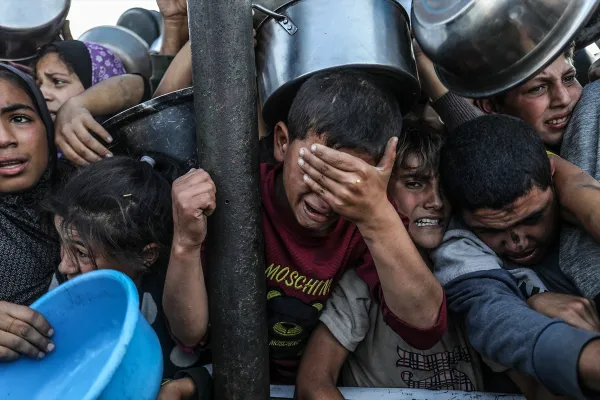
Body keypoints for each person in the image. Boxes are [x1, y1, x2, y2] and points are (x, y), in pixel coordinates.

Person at [163, 70, 446, 386]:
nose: (326, 195)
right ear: (283, 143)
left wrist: (376, 215)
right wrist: (185, 243)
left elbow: (424, 325)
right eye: (315, 168)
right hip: (219, 375)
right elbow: (188, 331)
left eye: (345, 179)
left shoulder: (370, 217)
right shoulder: (232, 195)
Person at [295, 121, 486, 399]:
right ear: (380, 189)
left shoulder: (473, 271)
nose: (436, 201)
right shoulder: (362, 282)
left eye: (445, 187)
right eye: (414, 183)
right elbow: (313, 384)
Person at [432, 114, 600, 397]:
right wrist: (587, 358)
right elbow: (492, 316)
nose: (518, 242)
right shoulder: (458, 247)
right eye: (490, 230)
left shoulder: (579, 193)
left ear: (552, 173)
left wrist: (582, 196)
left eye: (532, 218)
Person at [41, 155, 213, 399]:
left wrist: (191, 385)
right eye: (63, 243)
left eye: (81, 253)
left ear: (146, 256)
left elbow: (201, 343)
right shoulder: (70, 281)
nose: (65, 266)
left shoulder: (177, 283)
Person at [35, 40, 151, 166]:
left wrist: (75, 105)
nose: (42, 94)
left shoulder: (133, 153)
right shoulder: (40, 150)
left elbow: (139, 86)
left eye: (58, 81)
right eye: (38, 84)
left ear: (96, 80)